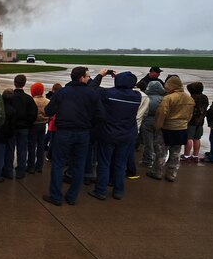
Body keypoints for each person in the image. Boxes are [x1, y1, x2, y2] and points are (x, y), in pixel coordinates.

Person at [42, 66, 104, 206]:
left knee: (58, 164)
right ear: (81, 78)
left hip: (64, 132)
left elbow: (48, 110)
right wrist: (90, 126)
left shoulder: (62, 92)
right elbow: (100, 115)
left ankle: (56, 196)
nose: (89, 78)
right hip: (83, 133)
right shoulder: (92, 93)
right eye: (87, 76)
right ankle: (72, 197)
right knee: (79, 165)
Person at [88, 71, 140, 201]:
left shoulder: (108, 94)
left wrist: (101, 75)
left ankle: (101, 190)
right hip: (127, 134)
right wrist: (121, 78)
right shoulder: (136, 96)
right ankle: (118, 190)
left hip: (108, 133)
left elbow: (91, 89)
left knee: (104, 163)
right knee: (120, 164)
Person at [149, 76, 195, 182]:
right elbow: (190, 115)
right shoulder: (189, 98)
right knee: (175, 153)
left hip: (167, 128)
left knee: (161, 152)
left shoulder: (169, 98)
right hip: (181, 129)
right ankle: (171, 174)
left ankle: (157, 172)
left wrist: (157, 127)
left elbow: (161, 113)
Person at [6, 74, 37, 179]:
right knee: (22, 150)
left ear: (15, 83)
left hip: (11, 127)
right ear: (24, 83)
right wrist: (28, 123)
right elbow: (33, 114)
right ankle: (20, 172)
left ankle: (8, 171)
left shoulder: (10, 97)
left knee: (10, 149)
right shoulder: (28, 99)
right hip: (24, 128)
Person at [141, 81, 166, 168]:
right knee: (159, 143)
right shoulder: (164, 98)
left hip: (147, 122)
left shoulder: (146, 98)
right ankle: (158, 160)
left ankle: (148, 160)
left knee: (148, 142)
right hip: (160, 122)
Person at [182, 82, 209, 162]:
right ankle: (195, 155)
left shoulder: (191, 98)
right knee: (197, 138)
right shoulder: (205, 97)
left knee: (189, 138)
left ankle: (186, 155)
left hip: (191, 120)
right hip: (200, 120)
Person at [27, 82, 49, 173]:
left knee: (32, 146)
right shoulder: (47, 101)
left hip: (34, 125)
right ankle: (39, 166)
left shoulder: (32, 101)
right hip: (43, 124)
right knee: (40, 145)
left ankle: (31, 166)